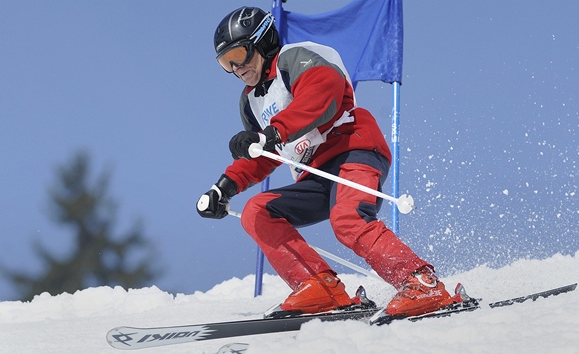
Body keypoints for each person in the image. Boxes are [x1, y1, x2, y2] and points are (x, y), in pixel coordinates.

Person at [197, 6, 459, 317]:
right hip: (314, 174)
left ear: (263, 41)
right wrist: (223, 188)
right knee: (257, 212)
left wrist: (272, 132)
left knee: (347, 219)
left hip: (353, 150)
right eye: (226, 63)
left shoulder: (295, 58)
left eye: (239, 55)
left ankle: (421, 284)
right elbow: (262, 154)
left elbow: (322, 95)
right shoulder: (250, 101)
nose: (236, 68)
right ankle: (320, 288)